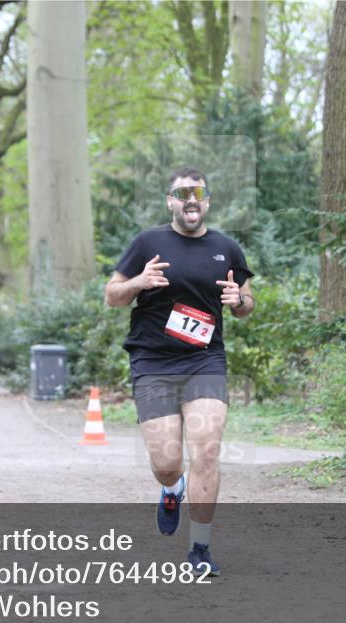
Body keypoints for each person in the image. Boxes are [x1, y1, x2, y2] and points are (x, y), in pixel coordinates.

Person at [105, 166, 255, 576]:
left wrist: (237, 300)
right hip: (153, 362)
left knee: (206, 450)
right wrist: (138, 282)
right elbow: (112, 296)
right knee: (168, 461)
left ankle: (200, 549)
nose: (191, 199)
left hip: (204, 360)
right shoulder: (147, 243)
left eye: (199, 193)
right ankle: (172, 489)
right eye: (182, 193)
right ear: (170, 200)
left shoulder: (227, 248)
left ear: (206, 202)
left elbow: (246, 304)